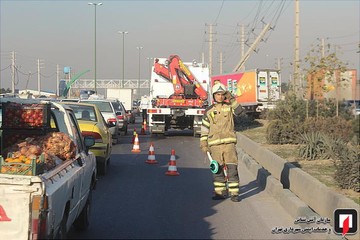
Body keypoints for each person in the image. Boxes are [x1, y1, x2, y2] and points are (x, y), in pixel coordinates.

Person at [200, 82, 243, 202]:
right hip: (215, 146)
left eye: (222, 94)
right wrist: (203, 144)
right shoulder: (209, 111)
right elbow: (204, 129)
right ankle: (220, 192)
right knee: (217, 170)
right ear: (213, 96)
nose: (220, 96)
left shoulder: (229, 108)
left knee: (232, 169)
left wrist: (231, 98)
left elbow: (239, 111)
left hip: (229, 145)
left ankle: (234, 194)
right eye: (217, 94)